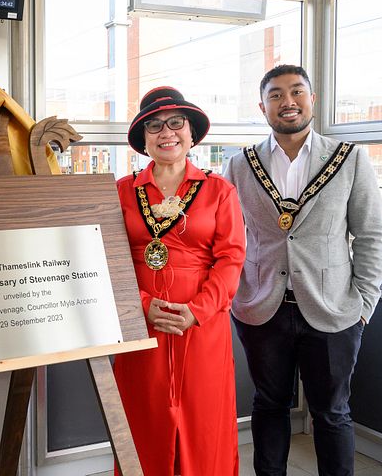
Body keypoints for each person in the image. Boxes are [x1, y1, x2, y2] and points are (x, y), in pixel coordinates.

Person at [224, 64, 382, 476]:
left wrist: (365, 304)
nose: (288, 101)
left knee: (332, 413)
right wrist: (236, 297)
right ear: (263, 106)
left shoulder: (349, 160)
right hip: (262, 310)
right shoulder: (240, 165)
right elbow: (229, 238)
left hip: (334, 309)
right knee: (269, 405)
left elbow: (370, 236)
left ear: (312, 99)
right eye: (276, 95)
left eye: (297, 92)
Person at [114, 87, 246, 475]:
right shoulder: (122, 191)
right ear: (144, 139)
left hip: (202, 325)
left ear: (191, 134)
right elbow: (109, 259)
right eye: (154, 126)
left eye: (176, 123)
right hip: (140, 325)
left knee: (204, 424)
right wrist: (140, 305)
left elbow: (232, 258)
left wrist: (197, 311)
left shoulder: (219, 190)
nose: (165, 132)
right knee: (143, 419)